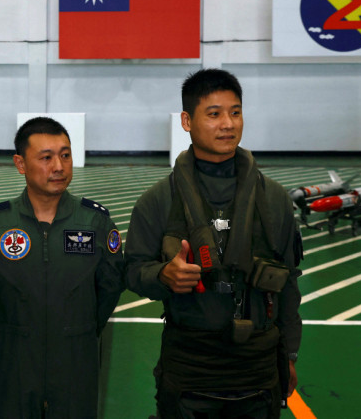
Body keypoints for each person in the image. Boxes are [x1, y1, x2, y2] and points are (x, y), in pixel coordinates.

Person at [125, 69, 303, 419]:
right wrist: (164, 276)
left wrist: (290, 355)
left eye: (235, 112)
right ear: (187, 121)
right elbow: (131, 271)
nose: (228, 124)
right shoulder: (159, 200)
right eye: (214, 113)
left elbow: (290, 282)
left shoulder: (275, 200)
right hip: (191, 365)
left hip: (258, 366)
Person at [0, 116, 125, 418]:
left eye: (65, 155)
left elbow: (111, 283)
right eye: (46, 157)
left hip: (77, 361)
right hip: (12, 361)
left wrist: (82, 328)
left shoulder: (95, 221)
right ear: (20, 163)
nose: (59, 166)